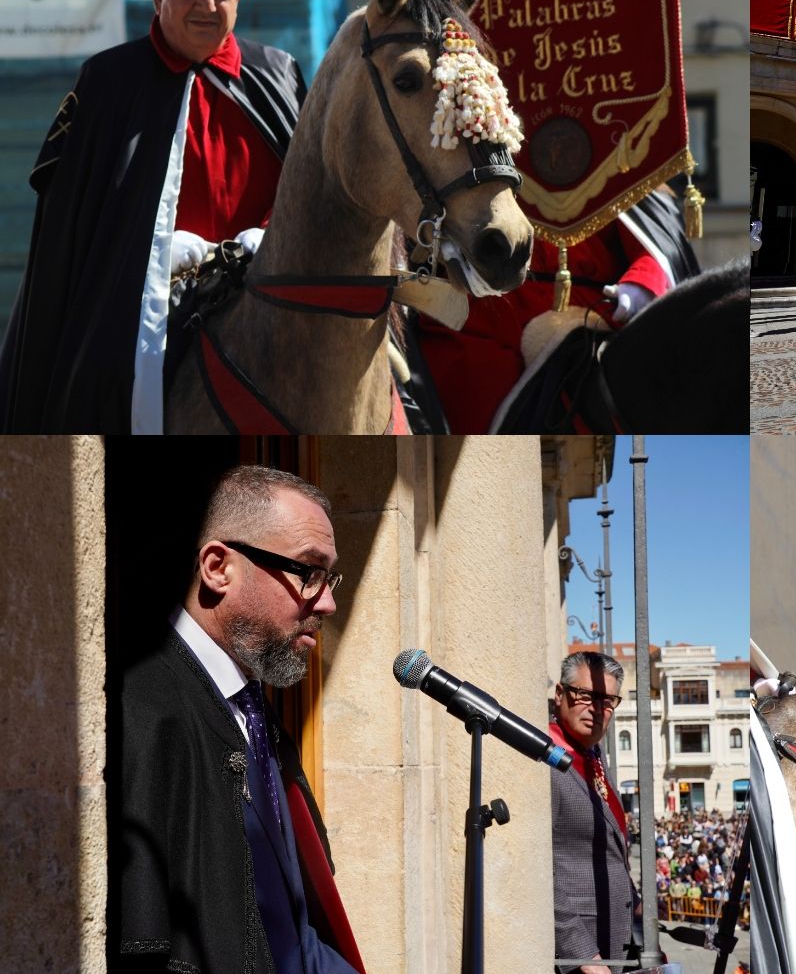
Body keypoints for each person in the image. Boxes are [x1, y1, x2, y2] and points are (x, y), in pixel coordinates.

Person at [0, 0, 305, 434]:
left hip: (264, 285)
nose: (206, 4)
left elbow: (308, 182)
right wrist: (156, 252)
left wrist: (267, 239)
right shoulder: (108, 80)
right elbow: (72, 219)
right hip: (139, 301)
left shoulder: (276, 72)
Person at [117, 465, 362, 972]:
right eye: (308, 571)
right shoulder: (140, 709)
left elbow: (292, 932)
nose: (331, 602)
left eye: (330, 576)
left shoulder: (256, 713)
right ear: (217, 568)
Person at [415, 188, 698, 433]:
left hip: (594, 315)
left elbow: (653, 243)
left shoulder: (612, 155)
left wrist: (642, 284)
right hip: (478, 318)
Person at [550, 652, 636, 974]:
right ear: (561, 694)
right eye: (585, 695)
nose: (597, 708)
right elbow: (541, 869)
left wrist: (634, 901)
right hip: (579, 955)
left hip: (614, 936)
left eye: (608, 700)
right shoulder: (546, 760)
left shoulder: (594, 755)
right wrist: (582, 953)